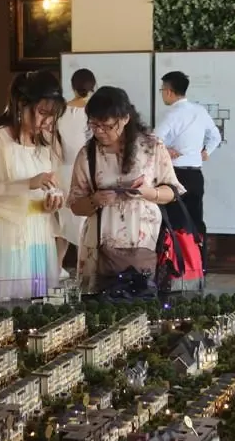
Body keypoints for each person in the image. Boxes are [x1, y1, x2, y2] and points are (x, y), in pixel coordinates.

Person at [67, 86, 184, 293]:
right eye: (94, 125)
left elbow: (173, 192)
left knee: (142, 298)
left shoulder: (151, 147)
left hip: (143, 243)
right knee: (99, 302)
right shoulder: (88, 154)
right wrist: (95, 200)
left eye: (107, 126)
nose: (99, 131)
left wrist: (150, 193)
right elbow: (76, 205)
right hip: (100, 244)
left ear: (125, 119)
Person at [0, 71, 66, 303]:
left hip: (38, 236)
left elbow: (50, 183)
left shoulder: (44, 142)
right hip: (2, 236)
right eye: (42, 113)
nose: (47, 122)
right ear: (22, 104)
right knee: (4, 307)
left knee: (38, 306)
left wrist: (53, 200)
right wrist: (28, 183)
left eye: (52, 115)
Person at [154, 70, 221, 264]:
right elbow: (215, 136)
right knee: (195, 221)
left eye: (162, 90)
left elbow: (153, 141)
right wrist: (206, 151)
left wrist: (166, 150)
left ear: (169, 91)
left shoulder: (171, 114)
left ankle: (176, 266)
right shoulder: (200, 111)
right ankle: (199, 265)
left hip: (174, 176)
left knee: (173, 221)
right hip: (196, 175)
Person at [55, 68, 96, 279]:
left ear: (72, 86)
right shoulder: (94, 110)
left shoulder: (61, 111)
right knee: (85, 222)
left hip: (62, 170)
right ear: (93, 85)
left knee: (62, 224)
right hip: (87, 170)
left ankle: (56, 267)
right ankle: (85, 269)